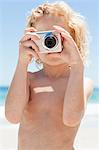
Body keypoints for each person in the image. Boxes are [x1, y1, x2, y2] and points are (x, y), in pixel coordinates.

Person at [5, 1, 93, 150]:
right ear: (32, 40)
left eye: (58, 36)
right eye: (43, 36)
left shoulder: (82, 81)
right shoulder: (29, 80)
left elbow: (71, 119)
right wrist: (22, 63)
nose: (50, 42)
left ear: (74, 39)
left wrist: (77, 66)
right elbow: (12, 117)